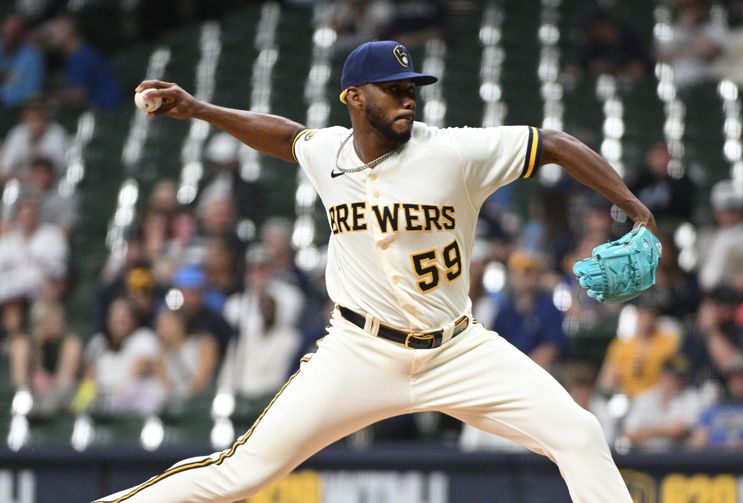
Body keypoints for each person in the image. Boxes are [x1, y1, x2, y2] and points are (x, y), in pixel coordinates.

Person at [95, 40, 656, 503]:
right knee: (241, 473)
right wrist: (199, 110)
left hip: (457, 350)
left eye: (411, 90)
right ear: (355, 97)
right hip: (359, 351)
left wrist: (637, 210)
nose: (407, 100)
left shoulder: (454, 152)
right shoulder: (329, 152)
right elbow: (288, 138)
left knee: (579, 434)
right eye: (394, 90)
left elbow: (553, 144)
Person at [0, 14, 44, 108]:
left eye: (14, 32)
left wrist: (3, 98)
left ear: (23, 33)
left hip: (16, 110)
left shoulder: (33, 57)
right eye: (6, 33)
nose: (9, 36)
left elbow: (31, 93)